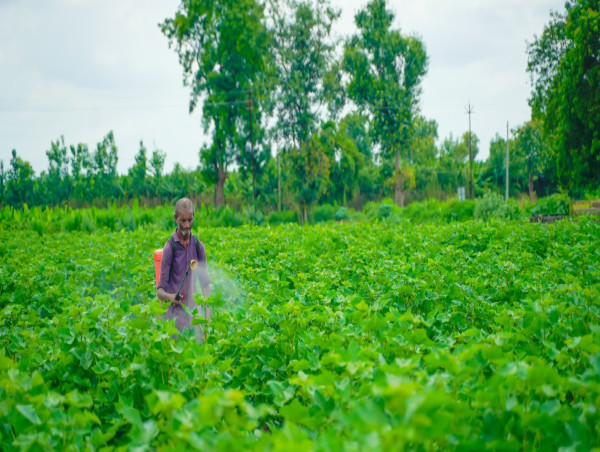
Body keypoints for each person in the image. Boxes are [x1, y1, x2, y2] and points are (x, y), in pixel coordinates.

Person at [157, 198, 210, 335]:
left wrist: (206, 321)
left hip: (194, 316)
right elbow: (160, 291)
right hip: (175, 319)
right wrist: (171, 297)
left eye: (190, 220)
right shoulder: (170, 248)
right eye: (182, 220)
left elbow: (205, 286)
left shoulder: (198, 247)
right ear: (175, 218)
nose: (187, 225)